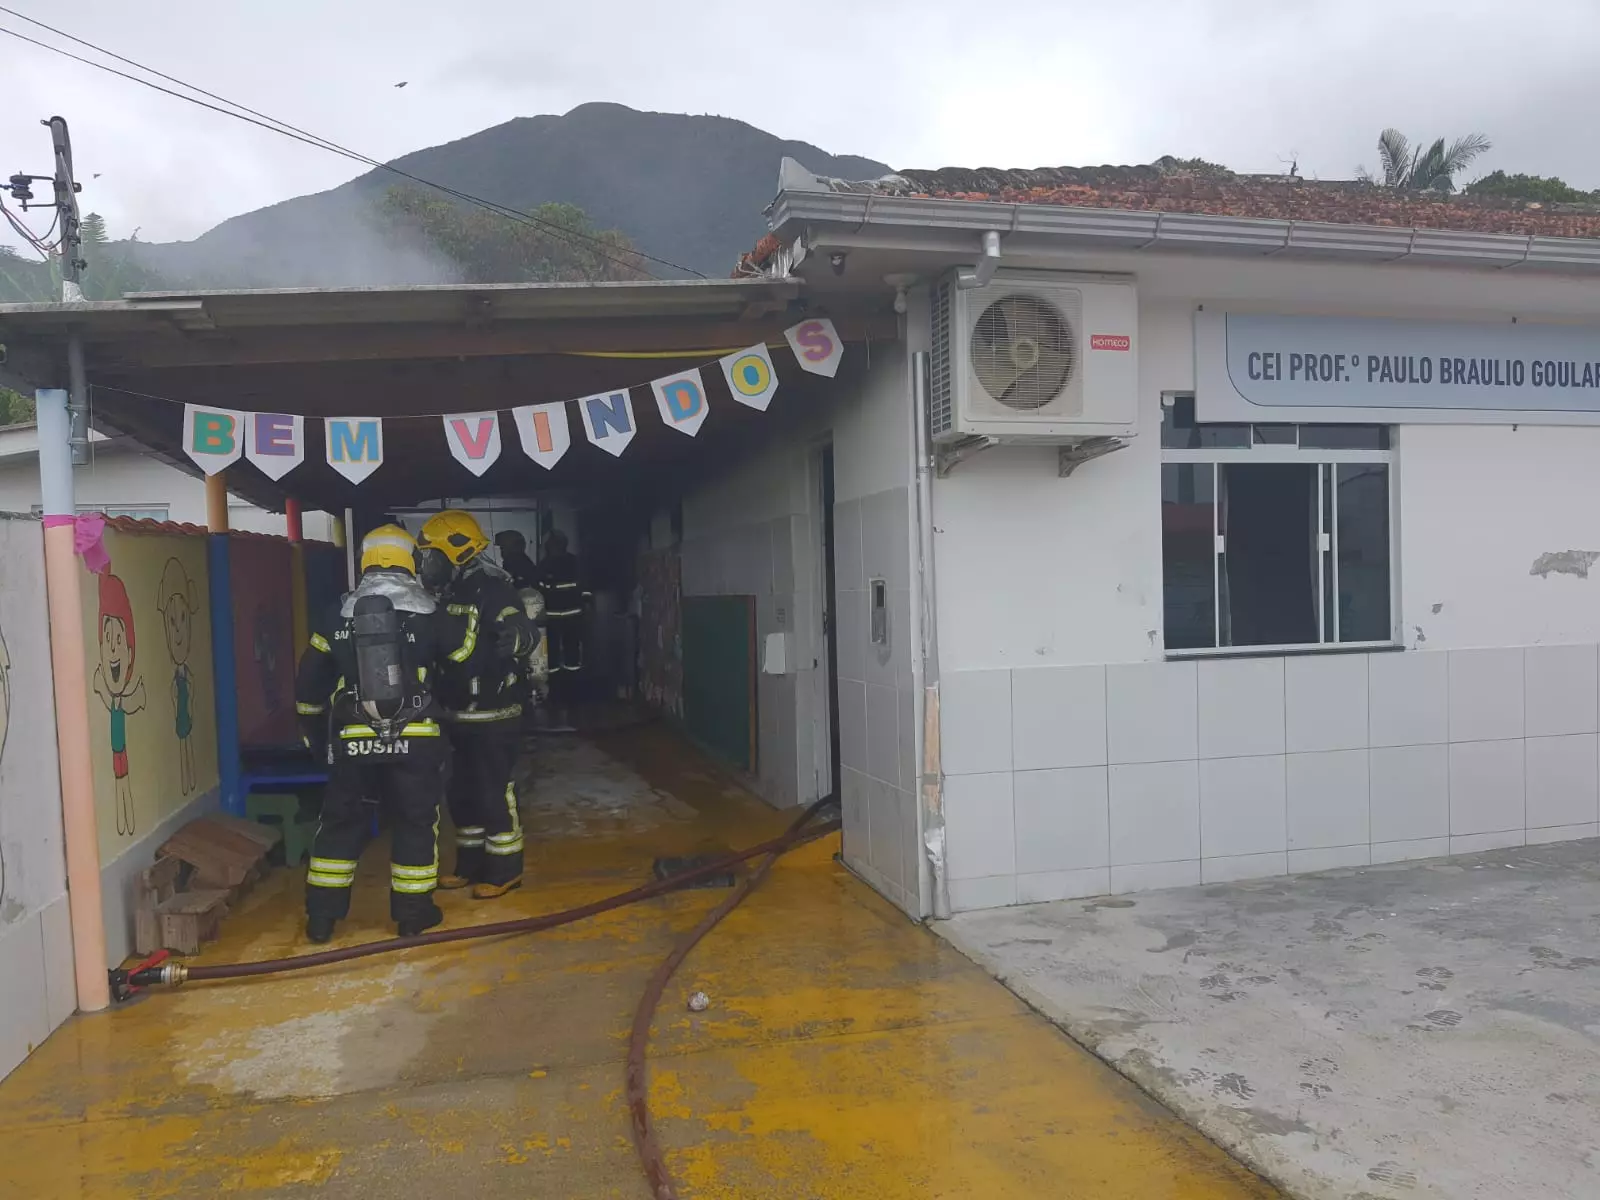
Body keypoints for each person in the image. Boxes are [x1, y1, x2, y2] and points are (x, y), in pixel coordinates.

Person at [294, 524, 451, 942]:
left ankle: (322, 919)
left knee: (341, 823)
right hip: (417, 737)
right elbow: (456, 663)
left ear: (365, 560)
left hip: (352, 739)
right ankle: (414, 916)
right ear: (410, 559)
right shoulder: (430, 611)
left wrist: (312, 730)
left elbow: (310, 679)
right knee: (416, 823)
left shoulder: (337, 613)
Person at [416, 510, 534, 899]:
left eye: (428, 555)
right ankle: (468, 865)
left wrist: (519, 636)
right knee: (461, 792)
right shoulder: (447, 594)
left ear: (456, 553)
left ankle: (505, 870)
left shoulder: (494, 589)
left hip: (494, 714)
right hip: (455, 714)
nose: (423, 564)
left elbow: (520, 625)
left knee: (493, 791)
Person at [537, 529, 590, 731]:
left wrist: (586, 603)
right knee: (556, 659)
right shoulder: (545, 566)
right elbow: (538, 590)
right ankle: (560, 695)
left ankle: (569, 695)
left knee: (571, 659)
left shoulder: (571, 563)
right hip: (555, 618)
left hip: (570, 617)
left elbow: (584, 586)